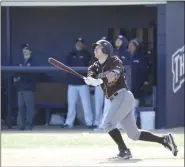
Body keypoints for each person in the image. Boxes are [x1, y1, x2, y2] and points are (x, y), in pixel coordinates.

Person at [83, 39, 178, 159]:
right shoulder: (94, 66)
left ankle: (124, 151)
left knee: (107, 124)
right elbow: (91, 75)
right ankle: (164, 140)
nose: (95, 49)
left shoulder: (114, 60)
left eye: (98, 47)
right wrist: (90, 80)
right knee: (134, 134)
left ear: (106, 49)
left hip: (122, 96)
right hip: (117, 100)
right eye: (95, 47)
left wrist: (100, 80)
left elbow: (114, 75)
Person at [64, 37, 93, 128]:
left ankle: (89, 123)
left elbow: (89, 67)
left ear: (83, 45)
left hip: (83, 83)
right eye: (77, 42)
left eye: (80, 43)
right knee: (71, 104)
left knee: (86, 104)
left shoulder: (87, 54)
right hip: (72, 83)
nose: (79, 44)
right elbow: (67, 66)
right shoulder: (70, 54)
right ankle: (69, 123)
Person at [14, 44, 36, 130]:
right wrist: (20, 77)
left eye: (27, 49)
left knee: (29, 107)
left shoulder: (33, 62)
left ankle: (28, 125)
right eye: (24, 49)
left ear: (30, 51)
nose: (25, 51)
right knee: (21, 107)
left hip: (29, 88)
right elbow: (16, 74)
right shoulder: (20, 62)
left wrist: (21, 77)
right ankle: (21, 125)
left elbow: (32, 75)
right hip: (20, 88)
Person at [128, 39, 149, 121]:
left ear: (136, 47)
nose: (129, 49)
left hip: (136, 89)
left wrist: (139, 87)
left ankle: (132, 125)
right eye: (128, 47)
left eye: (131, 47)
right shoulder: (128, 58)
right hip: (126, 88)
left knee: (133, 107)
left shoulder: (141, 59)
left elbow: (143, 75)